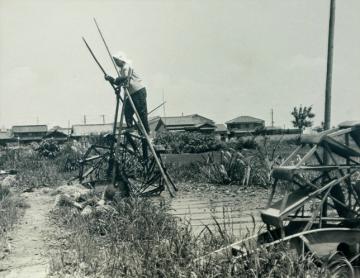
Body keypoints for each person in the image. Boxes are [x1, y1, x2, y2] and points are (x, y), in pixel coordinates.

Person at [105, 51, 150, 134]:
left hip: (138, 91)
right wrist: (111, 79)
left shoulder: (127, 66)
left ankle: (146, 131)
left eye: (117, 60)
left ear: (121, 60)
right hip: (131, 93)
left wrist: (115, 80)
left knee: (142, 113)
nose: (116, 63)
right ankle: (130, 127)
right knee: (127, 110)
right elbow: (120, 81)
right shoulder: (122, 70)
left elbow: (125, 78)